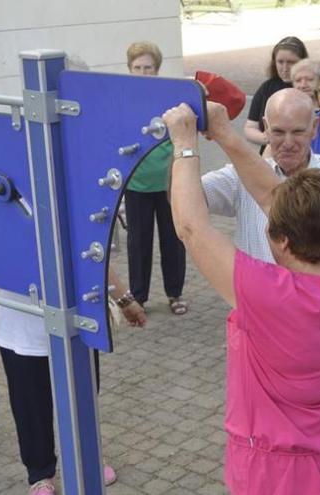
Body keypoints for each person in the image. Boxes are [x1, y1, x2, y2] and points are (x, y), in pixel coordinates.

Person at [163, 97, 320, 495]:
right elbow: (271, 195)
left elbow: (191, 228)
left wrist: (184, 143)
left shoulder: (271, 295)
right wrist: (226, 134)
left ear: (281, 241)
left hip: (279, 473)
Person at [0, 269, 145, 495]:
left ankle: (87, 459)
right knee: (30, 407)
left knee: (83, 397)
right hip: (21, 323)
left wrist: (124, 299)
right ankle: (40, 474)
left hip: (75, 320)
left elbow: (92, 253)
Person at [202, 88, 320, 263]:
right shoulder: (240, 176)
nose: (288, 143)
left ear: (314, 128)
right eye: (278, 132)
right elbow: (186, 196)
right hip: (257, 299)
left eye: (298, 132)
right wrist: (179, 137)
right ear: (266, 127)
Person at [124, 41, 187, 315]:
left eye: (148, 67)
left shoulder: (169, 99)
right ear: (130, 70)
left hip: (167, 182)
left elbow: (179, 136)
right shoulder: (123, 100)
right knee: (138, 242)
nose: (143, 72)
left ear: (157, 69)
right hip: (137, 184)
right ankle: (139, 297)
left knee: (172, 239)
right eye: (137, 68)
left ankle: (175, 294)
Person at [243, 36, 309, 153]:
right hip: (270, 155)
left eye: (291, 62)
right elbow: (250, 127)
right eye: (280, 62)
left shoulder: (310, 89)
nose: (285, 68)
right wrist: (267, 138)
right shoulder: (267, 88)